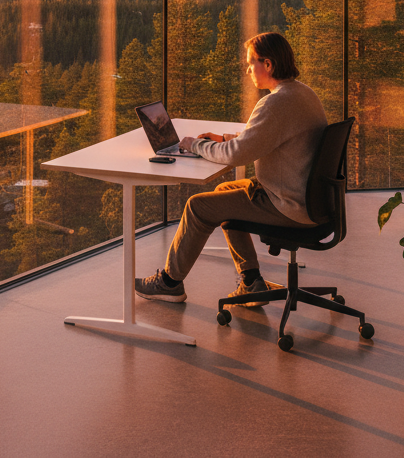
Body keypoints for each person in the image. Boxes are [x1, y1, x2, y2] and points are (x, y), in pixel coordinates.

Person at [135, 31, 327, 305]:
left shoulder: (275, 103)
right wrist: (224, 139)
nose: (249, 69)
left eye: (252, 63)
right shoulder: (301, 93)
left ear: (268, 65)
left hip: (287, 204)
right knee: (225, 191)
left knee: (198, 206)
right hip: (308, 197)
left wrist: (195, 145)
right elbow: (265, 137)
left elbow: (236, 156)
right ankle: (251, 281)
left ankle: (169, 283)